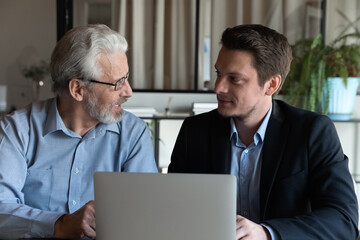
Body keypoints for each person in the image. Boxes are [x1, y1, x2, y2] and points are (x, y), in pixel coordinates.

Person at [168, 24, 358, 239]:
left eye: (234, 78)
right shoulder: (195, 131)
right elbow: (174, 209)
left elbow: (343, 219)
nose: (218, 87)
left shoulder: (312, 132)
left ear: (271, 85)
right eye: (218, 74)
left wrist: (267, 233)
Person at [0, 24, 158, 239]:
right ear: (78, 90)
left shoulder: (133, 134)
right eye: (118, 82)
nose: (128, 91)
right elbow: (2, 209)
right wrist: (59, 225)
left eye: (127, 77)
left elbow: (147, 213)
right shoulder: (17, 131)